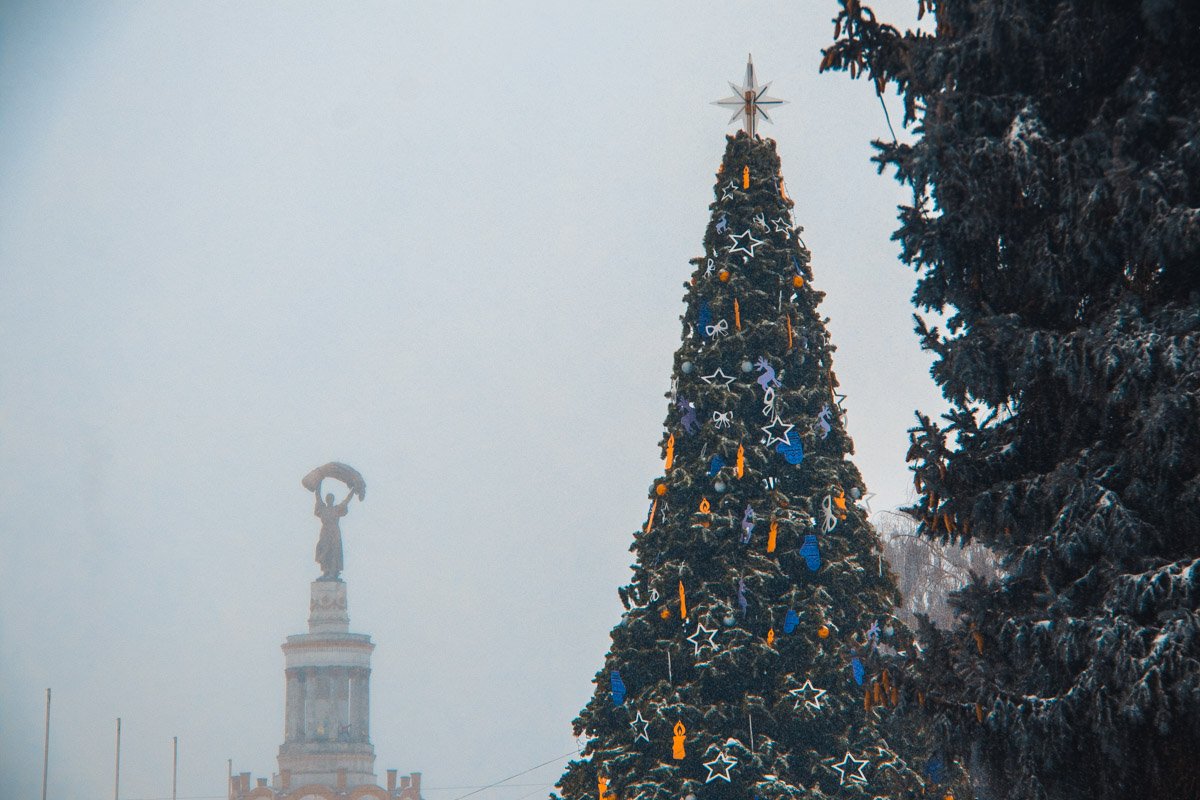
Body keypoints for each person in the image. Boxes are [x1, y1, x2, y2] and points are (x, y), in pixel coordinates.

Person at [314, 483, 354, 579]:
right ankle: (326, 571)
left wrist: (353, 490)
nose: (329, 500)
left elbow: (347, 500)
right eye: (328, 498)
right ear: (326, 500)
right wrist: (318, 485)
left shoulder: (337, 509)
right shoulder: (323, 509)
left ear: (333, 500)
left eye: (331, 498)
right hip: (325, 532)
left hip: (334, 532)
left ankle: (333, 571)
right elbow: (318, 497)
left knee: (334, 551)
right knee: (324, 550)